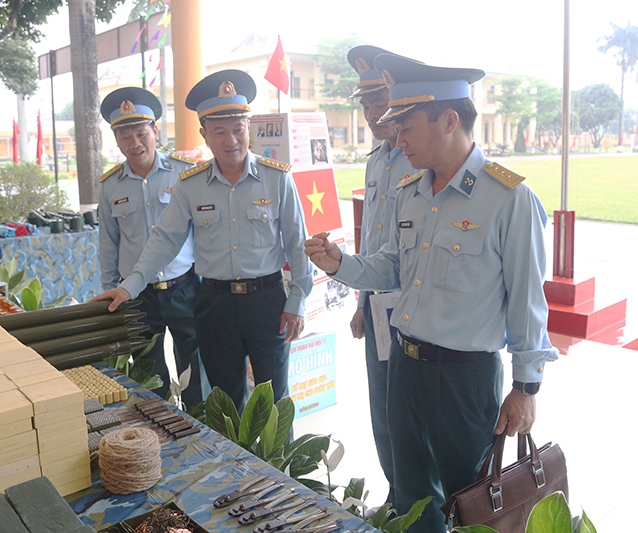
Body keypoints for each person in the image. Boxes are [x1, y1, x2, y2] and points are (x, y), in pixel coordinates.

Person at [305, 54, 559, 533]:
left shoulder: (509, 199)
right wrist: (342, 264)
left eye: (406, 125)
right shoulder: (410, 192)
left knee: (469, 501)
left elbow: (529, 303)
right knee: (411, 495)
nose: (398, 138)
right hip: (405, 366)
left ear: (449, 119)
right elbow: (395, 266)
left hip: (463, 381)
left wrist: (526, 388)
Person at [98, 70, 313, 411]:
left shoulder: (277, 180)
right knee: (223, 401)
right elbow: (165, 240)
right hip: (214, 304)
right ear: (205, 135)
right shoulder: (190, 185)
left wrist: (297, 300)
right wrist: (129, 286)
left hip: (268, 303)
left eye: (238, 129)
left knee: (273, 402)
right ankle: (230, 465)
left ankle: (276, 466)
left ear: (249, 129)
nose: (231, 140)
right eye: (219, 132)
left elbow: (298, 245)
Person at [91, 87, 207, 406]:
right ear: (116, 140)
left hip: (185, 287)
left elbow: (202, 233)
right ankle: (157, 437)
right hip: (137, 295)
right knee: (148, 376)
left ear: (155, 132)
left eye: (141, 133)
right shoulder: (110, 185)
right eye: (125, 136)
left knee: (195, 370)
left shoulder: (185, 173)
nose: (135, 143)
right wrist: (110, 290)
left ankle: (199, 428)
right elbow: (108, 244)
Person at [346, 45, 415, 507]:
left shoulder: (422, 157)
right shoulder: (376, 161)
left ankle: (420, 501)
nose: (375, 113)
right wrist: (359, 302)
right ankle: (396, 494)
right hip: (376, 304)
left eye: (382, 100)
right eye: (368, 104)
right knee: (382, 407)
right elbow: (370, 239)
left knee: (409, 409)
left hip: (413, 305)